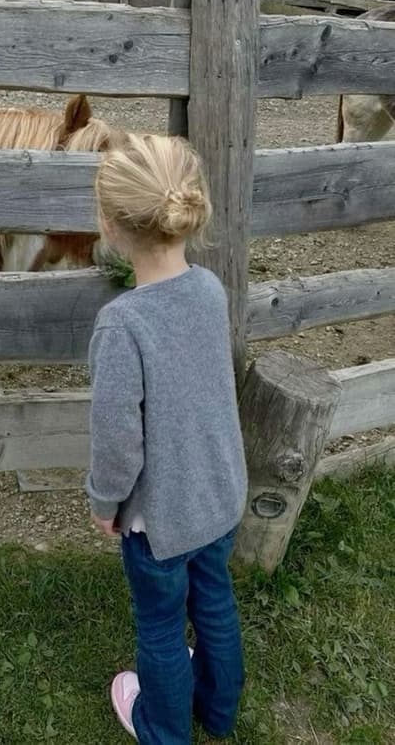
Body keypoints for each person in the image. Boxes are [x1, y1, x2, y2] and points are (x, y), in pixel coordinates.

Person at [86, 133, 247, 744]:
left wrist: (105, 504)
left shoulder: (121, 325)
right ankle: (221, 713)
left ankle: (163, 730)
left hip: (159, 523)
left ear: (109, 225)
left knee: (159, 627)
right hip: (219, 497)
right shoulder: (209, 289)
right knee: (214, 605)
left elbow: (117, 440)